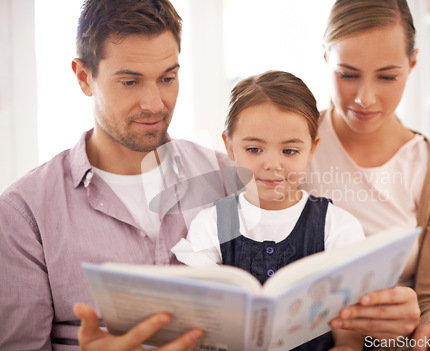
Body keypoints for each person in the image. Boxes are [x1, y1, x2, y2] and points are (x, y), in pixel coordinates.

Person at [0, 0, 232, 350]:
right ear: (84, 77)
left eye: (168, 78)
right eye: (130, 82)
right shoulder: (24, 214)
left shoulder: (226, 177)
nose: (154, 103)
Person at [302, 0, 430, 349]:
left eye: (387, 76)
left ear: (412, 62)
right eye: (348, 74)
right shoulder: (286, 148)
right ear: (325, 57)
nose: (365, 98)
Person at [172, 70, 366, 350]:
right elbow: (198, 324)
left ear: (312, 149)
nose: (272, 164)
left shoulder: (337, 226)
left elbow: (350, 337)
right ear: (230, 146)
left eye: (289, 151)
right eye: (254, 149)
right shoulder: (212, 223)